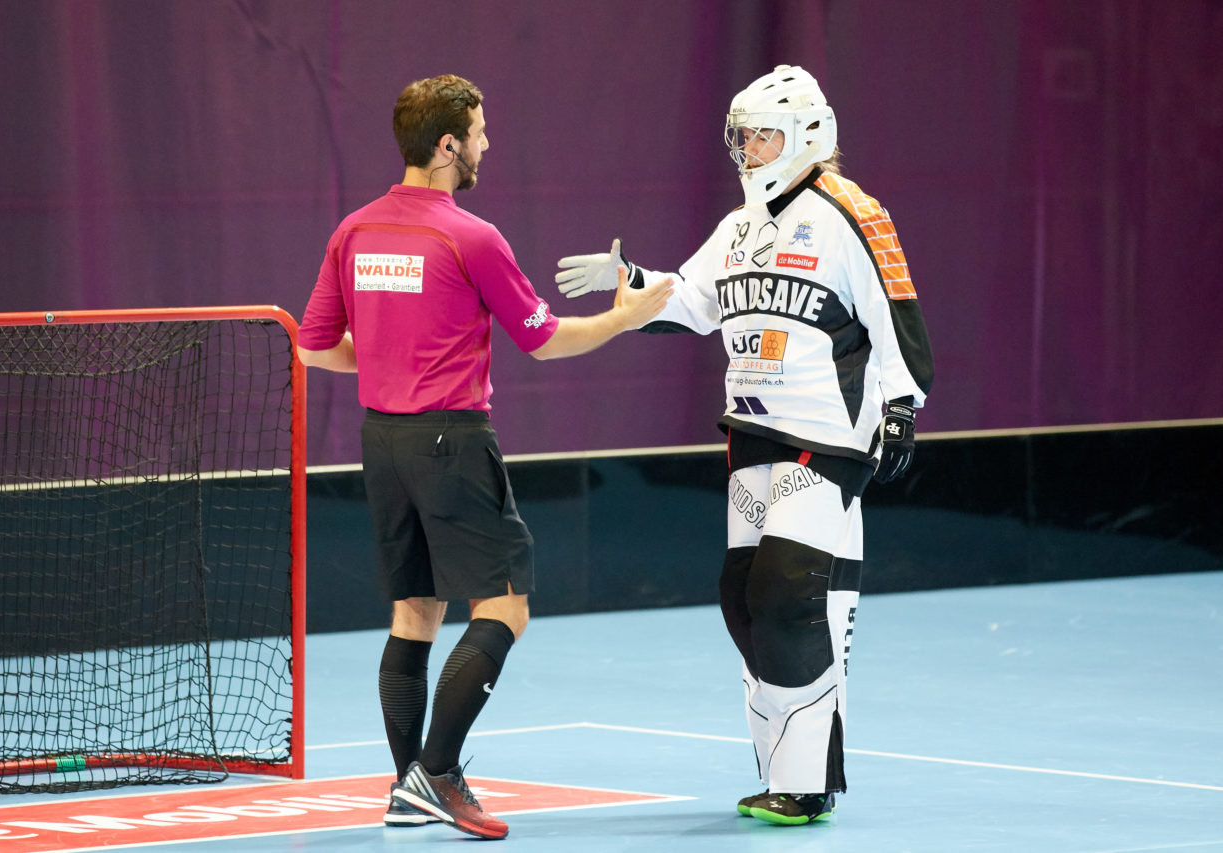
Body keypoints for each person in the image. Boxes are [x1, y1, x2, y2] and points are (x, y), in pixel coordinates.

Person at [555, 65, 934, 826]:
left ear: (806, 135)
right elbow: (691, 302)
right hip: (752, 430)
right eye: (741, 136)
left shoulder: (850, 212)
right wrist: (629, 279)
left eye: (761, 135)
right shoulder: (738, 225)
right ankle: (783, 770)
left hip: (827, 433)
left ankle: (810, 779)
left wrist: (902, 403)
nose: (746, 150)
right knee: (743, 596)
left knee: (787, 592)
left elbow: (894, 310)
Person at [296, 74, 672, 840]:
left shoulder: (354, 231)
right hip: (452, 442)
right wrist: (625, 317)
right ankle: (437, 772)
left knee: (414, 613)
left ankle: (408, 787)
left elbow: (313, 348)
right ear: (447, 145)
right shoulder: (470, 236)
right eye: (478, 131)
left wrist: (392, 358)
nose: (486, 143)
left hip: (383, 443)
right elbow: (543, 338)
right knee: (505, 606)